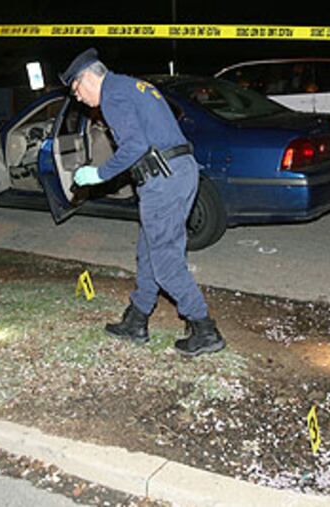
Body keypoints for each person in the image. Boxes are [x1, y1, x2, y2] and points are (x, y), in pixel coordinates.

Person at [61, 48, 225, 356]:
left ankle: (205, 328)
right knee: (149, 252)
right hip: (177, 172)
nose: (78, 99)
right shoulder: (132, 85)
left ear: (87, 78)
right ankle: (136, 320)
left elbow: (135, 145)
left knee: (164, 262)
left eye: (76, 91)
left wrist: (99, 173)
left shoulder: (112, 95)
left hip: (163, 180)